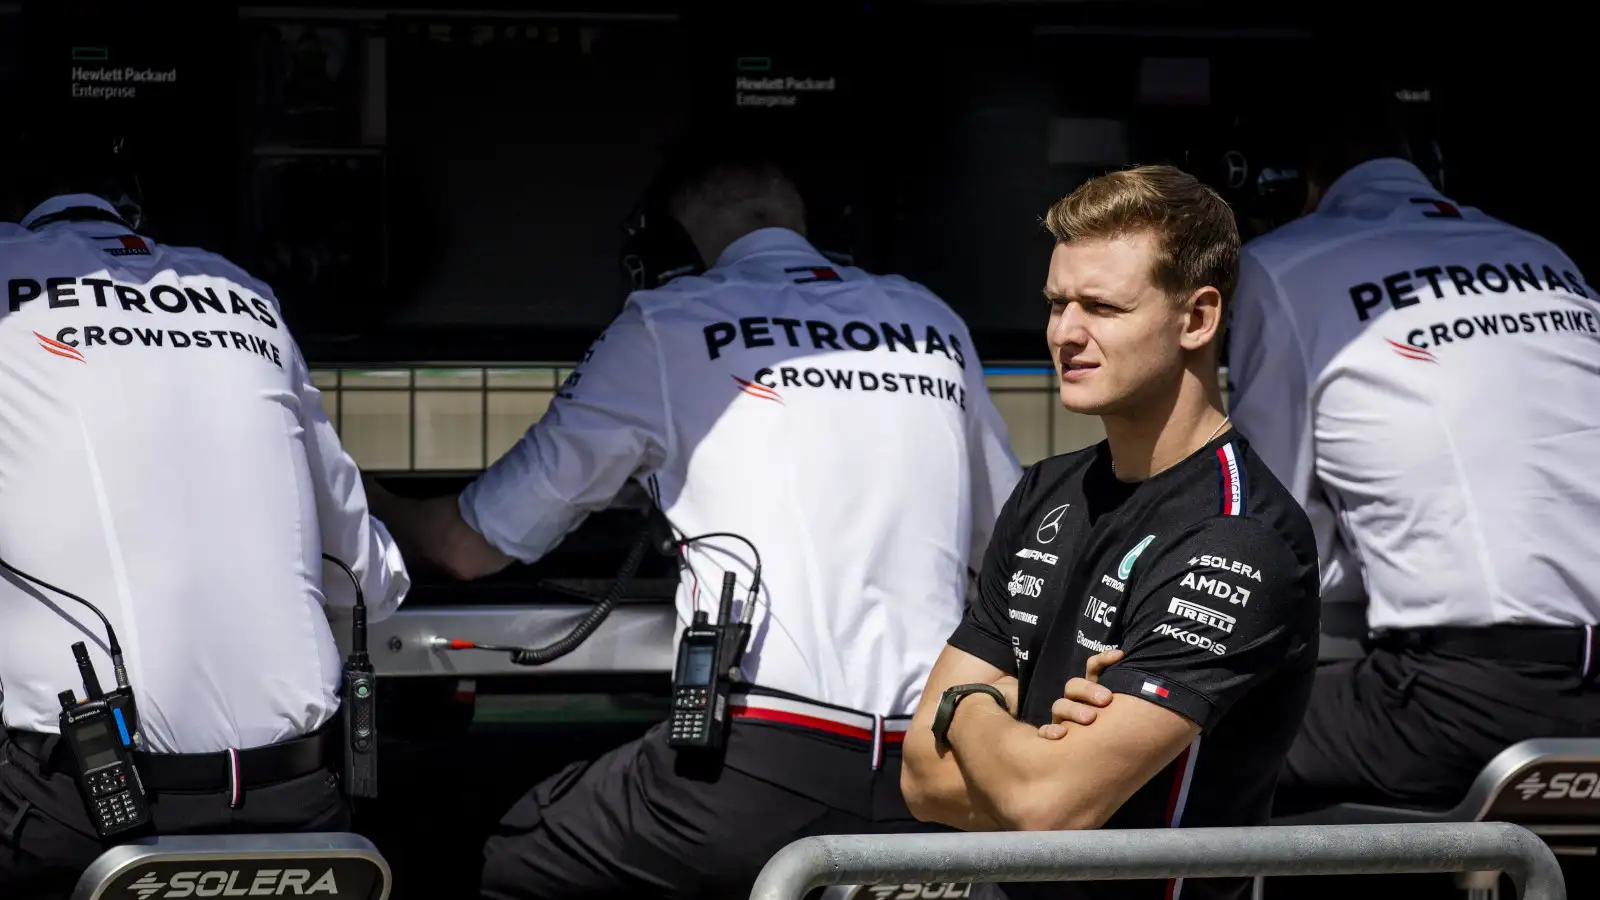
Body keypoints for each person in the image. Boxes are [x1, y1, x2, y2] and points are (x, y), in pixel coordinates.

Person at [363, 138, 1022, 900]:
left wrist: (357, 495)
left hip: (762, 772)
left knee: (513, 856)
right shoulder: (928, 318)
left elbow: (468, 548)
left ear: (666, 247)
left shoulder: (666, 324)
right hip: (938, 777)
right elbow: (1008, 547)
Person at [0, 137, 411, 898]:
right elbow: (365, 575)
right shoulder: (243, 291)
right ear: (137, 215)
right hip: (304, 804)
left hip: (85, 810)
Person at [899, 164, 1321, 900]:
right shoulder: (1044, 490)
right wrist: (1035, 758)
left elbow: (1045, 809)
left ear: (1198, 318)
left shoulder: (1240, 535)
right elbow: (920, 778)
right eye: (1057, 303)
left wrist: (969, 708)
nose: (1065, 332)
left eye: (1101, 306)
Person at [1224, 82, 1600, 815]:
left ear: (1295, 183)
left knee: (1173, 738)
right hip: (1557, 685)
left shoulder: (1283, 265)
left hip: (1467, 702)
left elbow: (1269, 537)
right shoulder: (1543, 253)